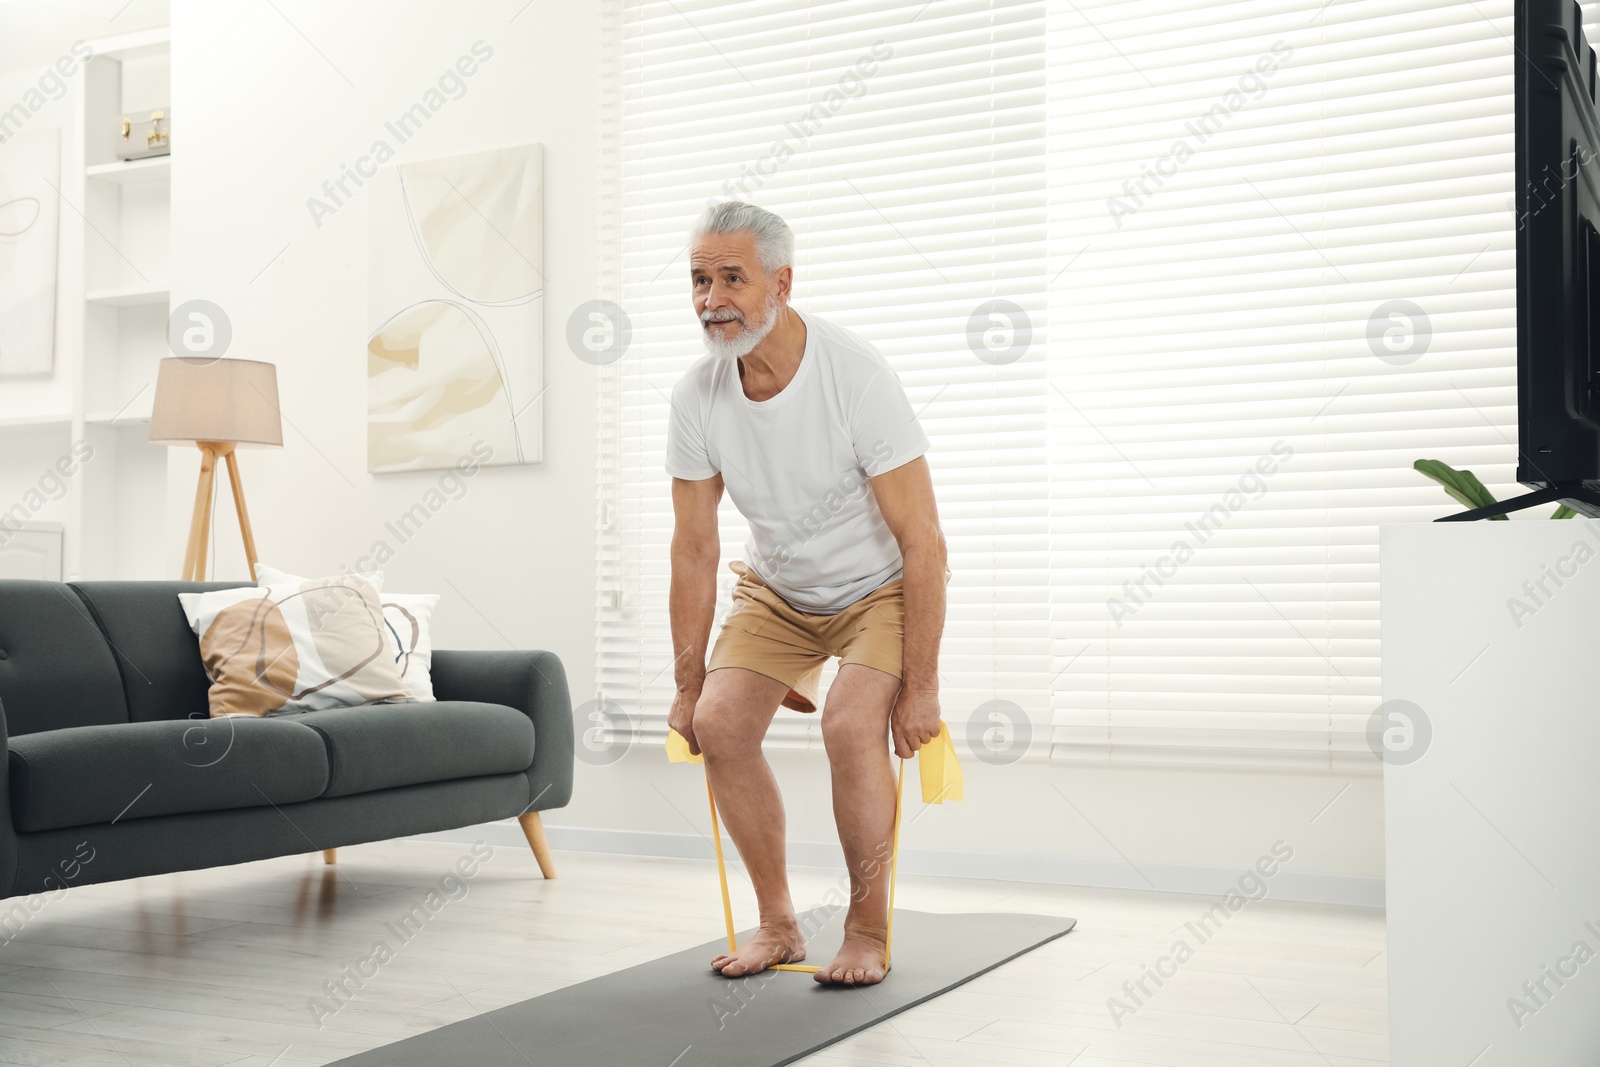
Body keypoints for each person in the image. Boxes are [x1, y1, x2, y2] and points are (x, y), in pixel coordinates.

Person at [664, 200, 948, 987]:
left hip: (877, 589)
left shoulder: (856, 377)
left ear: (781, 283)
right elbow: (694, 548)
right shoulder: (697, 397)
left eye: (731, 278)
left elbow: (924, 541)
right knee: (719, 723)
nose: (711, 298)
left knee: (851, 723)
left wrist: (920, 686)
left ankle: (865, 928)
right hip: (780, 591)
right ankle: (779, 924)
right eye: (698, 280)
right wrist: (689, 685)